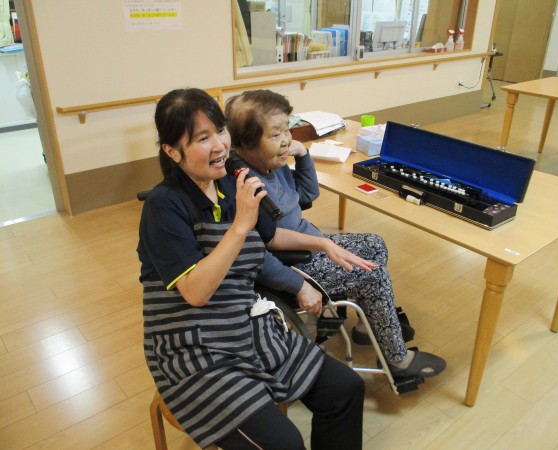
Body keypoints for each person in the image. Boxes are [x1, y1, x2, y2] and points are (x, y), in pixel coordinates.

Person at [138, 88, 369, 450]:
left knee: (346, 389)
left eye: (220, 131)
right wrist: (240, 225)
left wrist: (324, 243)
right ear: (172, 151)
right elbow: (196, 292)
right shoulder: (163, 205)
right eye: (202, 138)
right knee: (285, 444)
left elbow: (271, 236)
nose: (220, 146)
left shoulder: (229, 185)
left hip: (244, 327)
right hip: (193, 348)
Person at [224, 89, 446, 381]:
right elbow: (256, 255)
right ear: (245, 143)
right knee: (374, 275)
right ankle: (398, 360)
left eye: (287, 130)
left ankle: (368, 324)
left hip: (309, 244)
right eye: (276, 134)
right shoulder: (245, 187)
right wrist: (298, 285)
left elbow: (307, 195)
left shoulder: (271, 164)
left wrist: (303, 155)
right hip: (294, 264)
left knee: (375, 245)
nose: (286, 140)